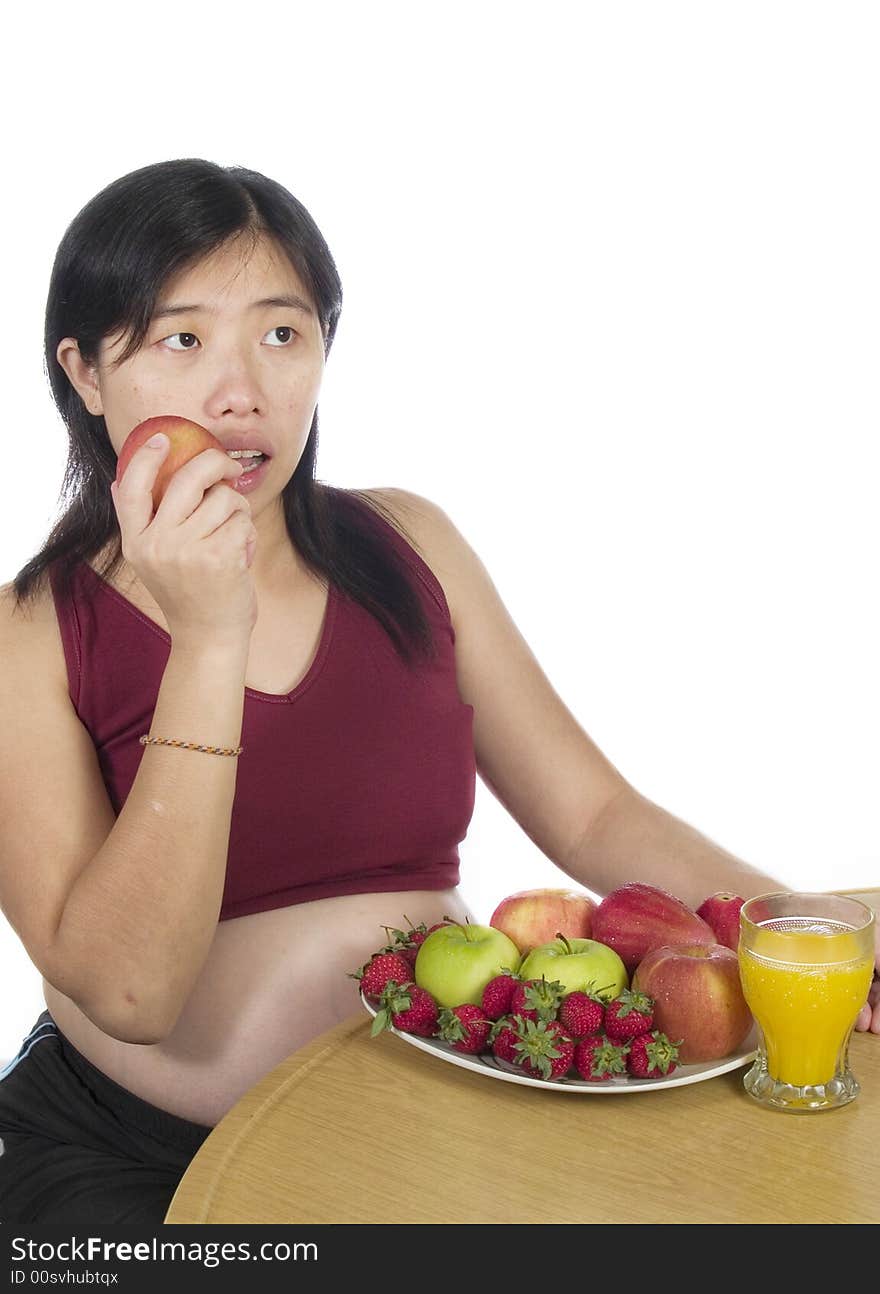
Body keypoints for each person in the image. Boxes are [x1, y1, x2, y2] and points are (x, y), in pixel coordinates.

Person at [0, 159, 876, 1226]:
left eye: (282, 333)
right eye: (182, 339)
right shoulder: (34, 633)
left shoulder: (408, 544)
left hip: (430, 1126)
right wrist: (207, 637)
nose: (242, 389)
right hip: (128, 1163)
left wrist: (806, 931)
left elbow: (594, 813)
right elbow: (130, 993)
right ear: (86, 371)